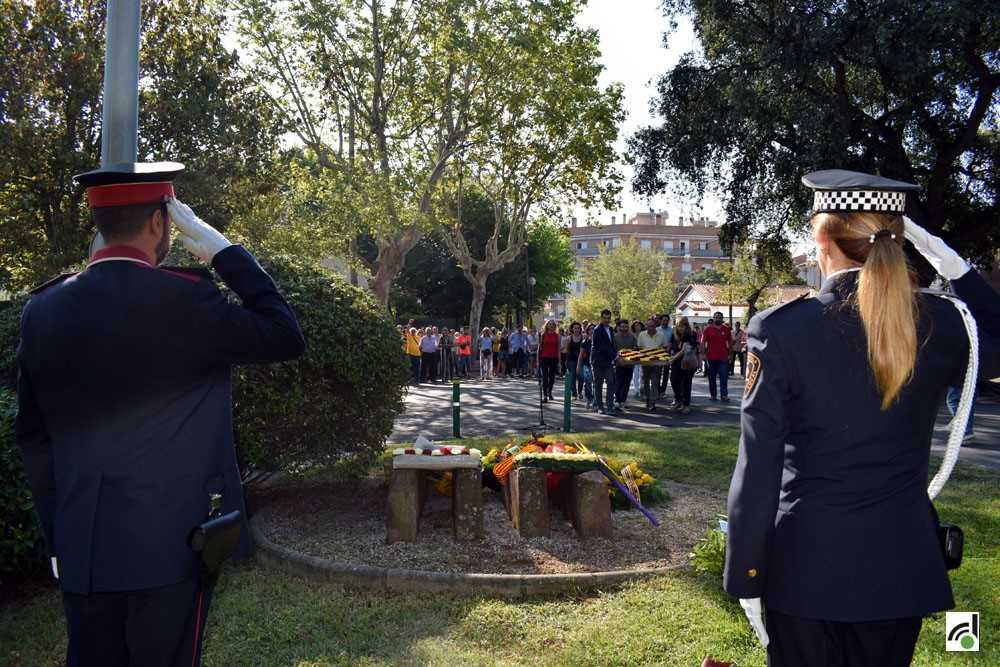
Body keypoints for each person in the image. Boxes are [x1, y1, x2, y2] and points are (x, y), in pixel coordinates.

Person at [15, 163, 305, 666]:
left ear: (99, 224)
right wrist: (224, 252)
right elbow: (283, 334)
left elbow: (36, 439)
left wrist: (61, 535)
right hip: (171, 547)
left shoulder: (41, 309)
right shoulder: (187, 299)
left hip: (82, 546)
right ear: (159, 224)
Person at [724, 170, 1000, 666]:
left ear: (822, 238)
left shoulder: (782, 330)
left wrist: (746, 573)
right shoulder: (940, 323)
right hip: (900, 570)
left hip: (805, 570)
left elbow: (758, 467)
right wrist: (950, 260)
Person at [668, 316, 698, 414]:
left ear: (686, 326)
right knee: (673, 380)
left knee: (686, 383)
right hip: (676, 363)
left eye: (683, 326)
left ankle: (686, 404)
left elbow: (685, 350)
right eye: (679, 326)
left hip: (687, 362)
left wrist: (673, 358)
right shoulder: (674, 334)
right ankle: (678, 399)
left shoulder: (691, 334)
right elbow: (671, 346)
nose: (680, 328)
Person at [637, 317, 667, 412]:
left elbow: (664, 348)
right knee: (645, 382)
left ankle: (652, 402)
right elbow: (639, 348)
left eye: (652, 326)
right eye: (648, 326)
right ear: (646, 326)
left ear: (655, 326)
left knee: (654, 382)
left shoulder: (661, 335)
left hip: (656, 363)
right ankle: (647, 399)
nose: (650, 328)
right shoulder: (642, 335)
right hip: (645, 363)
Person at [590, 309, 617, 414]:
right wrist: (615, 356)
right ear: (601, 318)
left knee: (611, 382)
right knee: (598, 384)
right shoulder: (597, 330)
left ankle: (610, 406)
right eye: (605, 318)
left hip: (608, 361)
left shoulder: (610, 329)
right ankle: (600, 407)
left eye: (608, 318)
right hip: (598, 361)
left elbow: (611, 345)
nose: (607, 320)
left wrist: (616, 354)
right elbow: (602, 347)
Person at [701, 311, 733, 401]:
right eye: (716, 317)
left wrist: (730, 354)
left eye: (719, 317)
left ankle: (724, 395)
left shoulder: (726, 329)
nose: (718, 318)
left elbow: (730, 343)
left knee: (723, 377)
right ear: (713, 318)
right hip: (711, 357)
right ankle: (713, 395)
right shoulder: (707, 329)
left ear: (722, 319)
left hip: (723, 357)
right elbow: (703, 342)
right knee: (712, 377)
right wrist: (703, 354)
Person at [613, 319, 638, 410]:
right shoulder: (615, 338)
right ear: (618, 327)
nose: (624, 328)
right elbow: (613, 350)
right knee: (618, 382)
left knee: (627, 383)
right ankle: (617, 400)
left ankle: (623, 400)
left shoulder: (632, 337)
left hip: (629, 364)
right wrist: (618, 359)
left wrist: (631, 354)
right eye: (622, 326)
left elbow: (635, 349)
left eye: (626, 327)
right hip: (619, 364)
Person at [538, 319, 561, 402]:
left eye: (552, 324)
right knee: (544, 376)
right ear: (547, 325)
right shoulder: (543, 335)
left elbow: (558, 349)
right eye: (549, 324)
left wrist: (559, 361)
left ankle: (549, 392)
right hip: (544, 357)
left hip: (554, 358)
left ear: (555, 326)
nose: (551, 325)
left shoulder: (557, 336)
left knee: (552, 377)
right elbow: (540, 348)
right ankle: (545, 395)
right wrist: (538, 360)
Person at [563, 322, 584, 399]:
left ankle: (580, 392)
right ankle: (574, 394)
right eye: (575, 328)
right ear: (572, 329)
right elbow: (566, 350)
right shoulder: (569, 338)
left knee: (581, 377)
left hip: (581, 360)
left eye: (578, 328)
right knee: (573, 377)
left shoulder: (583, 338)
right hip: (571, 360)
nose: (577, 330)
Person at [576, 324, 596, 407]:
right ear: (587, 331)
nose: (592, 330)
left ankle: (595, 401)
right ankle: (589, 399)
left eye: (593, 329)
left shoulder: (598, 341)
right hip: (586, 365)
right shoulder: (585, 342)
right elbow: (580, 355)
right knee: (587, 383)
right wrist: (578, 366)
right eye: (590, 329)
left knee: (596, 384)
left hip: (596, 365)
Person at [658, 314, 673, 397]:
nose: (665, 322)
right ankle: (658, 389)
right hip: (658, 353)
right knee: (658, 373)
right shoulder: (657, 330)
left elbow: (673, 341)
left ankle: (663, 391)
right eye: (663, 320)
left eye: (667, 320)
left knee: (666, 373)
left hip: (668, 353)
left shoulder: (671, 330)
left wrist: (669, 346)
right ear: (660, 321)